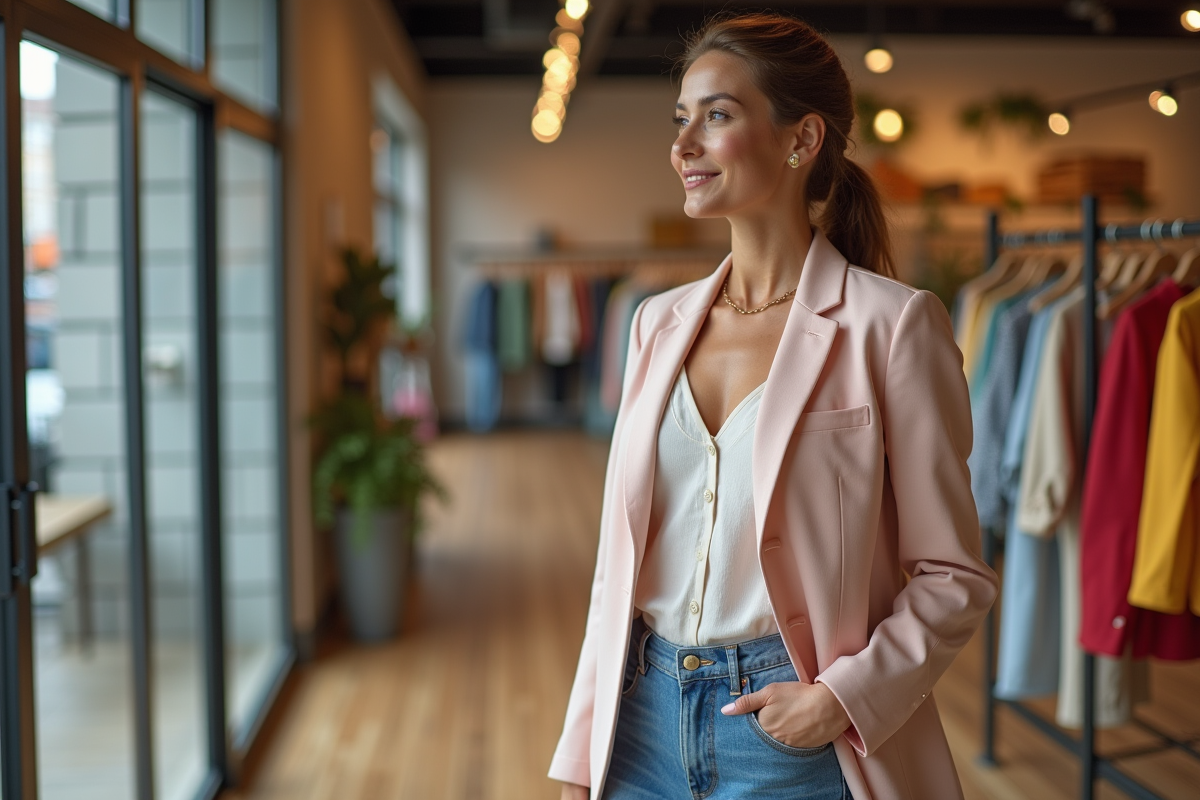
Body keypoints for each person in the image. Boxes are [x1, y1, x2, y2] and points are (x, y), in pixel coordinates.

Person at [549, 12, 998, 800]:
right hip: (640, 716)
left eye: (716, 116)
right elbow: (615, 565)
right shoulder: (656, 323)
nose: (682, 145)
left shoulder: (890, 326)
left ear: (802, 139)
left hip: (790, 731)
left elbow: (952, 574)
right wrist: (583, 752)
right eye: (680, 118)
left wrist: (840, 699)